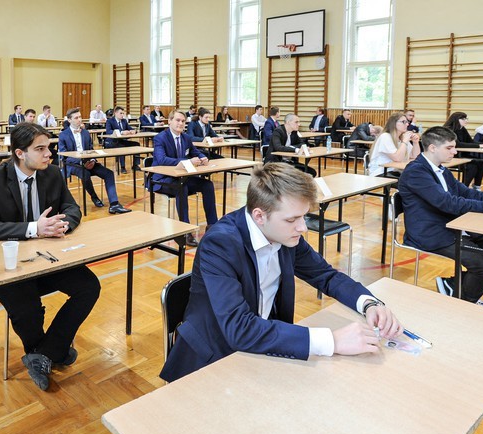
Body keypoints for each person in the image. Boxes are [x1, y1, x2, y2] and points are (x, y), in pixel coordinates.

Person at [159, 162, 403, 382]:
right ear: (259, 216)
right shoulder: (221, 243)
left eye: (304, 217)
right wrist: (333, 340)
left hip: (264, 344)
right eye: (292, 219)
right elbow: (239, 328)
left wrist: (369, 304)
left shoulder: (285, 235)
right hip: (213, 359)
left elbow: (326, 276)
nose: (303, 227)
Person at [0, 122, 100, 391]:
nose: (48, 154)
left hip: (46, 256)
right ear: (20, 153)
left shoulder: (52, 173)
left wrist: (62, 224)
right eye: (40, 149)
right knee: (27, 306)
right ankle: (51, 350)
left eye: (49, 147)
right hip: (9, 263)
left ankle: (43, 354)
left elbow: (72, 207)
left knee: (89, 286)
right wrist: (34, 229)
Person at [397, 126, 483, 310]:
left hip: (455, 226)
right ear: (432, 148)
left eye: (454, 147)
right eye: (449, 148)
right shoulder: (416, 172)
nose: (455, 151)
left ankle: (456, 287)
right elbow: (448, 203)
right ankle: (463, 307)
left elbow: (470, 195)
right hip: (431, 233)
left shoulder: (441, 171)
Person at [151, 110, 218, 246]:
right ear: (169, 121)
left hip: (181, 177)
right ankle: (185, 231)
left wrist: (202, 158)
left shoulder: (186, 138)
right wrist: (187, 161)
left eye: (183, 121)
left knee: (207, 185)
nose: (180, 123)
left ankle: (212, 225)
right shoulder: (160, 138)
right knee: (182, 187)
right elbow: (161, 159)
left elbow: (195, 152)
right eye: (177, 120)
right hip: (162, 179)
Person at [58, 108, 131, 214]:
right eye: (76, 118)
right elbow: (64, 155)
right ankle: (94, 197)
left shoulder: (86, 133)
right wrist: (81, 161)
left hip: (89, 162)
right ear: (69, 120)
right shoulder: (63, 135)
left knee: (109, 174)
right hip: (73, 164)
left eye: (80, 117)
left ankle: (114, 204)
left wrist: (92, 160)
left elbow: (91, 149)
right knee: (85, 174)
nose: (79, 119)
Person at [444, 112, 483, 190]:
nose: (466, 120)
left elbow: (470, 141)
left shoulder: (462, 129)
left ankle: (477, 187)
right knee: (472, 166)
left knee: (481, 162)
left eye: (466, 118)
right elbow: (458, 144)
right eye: (463, 119)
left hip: (462, 154)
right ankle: (464, 188)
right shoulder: (449, 130)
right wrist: (479, 145)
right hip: (452, 156)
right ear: (456, 119)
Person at [367, 112, 421, 177]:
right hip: (381, 172)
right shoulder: (385, 136)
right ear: (394, 123)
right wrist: (405, 141)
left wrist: (415, 142)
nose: (407, 124)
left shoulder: (402, 138)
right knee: (411, 182)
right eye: (404, 122)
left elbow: (415, 156)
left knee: (420, 178)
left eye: (407, 122)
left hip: (396, 170)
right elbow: (397, 158)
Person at [104, 106, 141, 173]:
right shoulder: (109, 121)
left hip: (122, 140)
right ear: (115, 113)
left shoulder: (124, 121)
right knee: (121, 147)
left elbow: (129, 127)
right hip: (112, 142)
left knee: (137, 144)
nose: (122, 115)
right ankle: (123, 167)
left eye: (123, 113)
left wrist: (133, 131)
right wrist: (121, 132)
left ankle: (135, 165)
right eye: (121, 113)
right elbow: (108, 131)